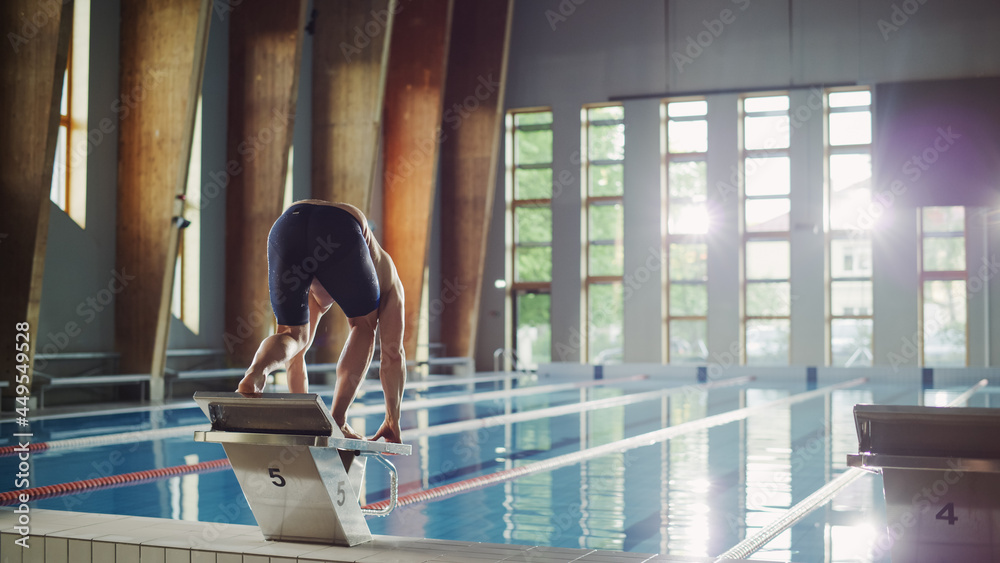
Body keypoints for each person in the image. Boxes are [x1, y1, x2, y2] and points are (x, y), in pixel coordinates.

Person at [236, 200, 405, 444]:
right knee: (363, 326)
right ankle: (338, 420)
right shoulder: (390, 280)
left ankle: (255, 373)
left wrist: (303, 420)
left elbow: (295, 360)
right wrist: (392, 419)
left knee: (293, 336)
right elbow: (393, 355)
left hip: (287, 225)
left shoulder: (315, 293)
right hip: (339, 226)